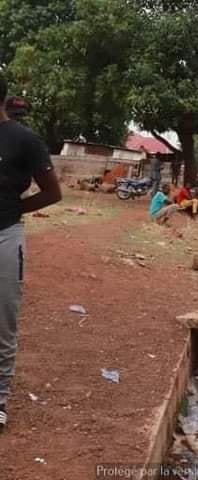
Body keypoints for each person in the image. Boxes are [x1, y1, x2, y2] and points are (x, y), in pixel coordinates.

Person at [0, 74, 62, 433]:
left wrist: (12, 210)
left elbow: (53, 193)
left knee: (3, 321)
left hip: (5, 237)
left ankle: (0, 398)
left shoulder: (24, 140)